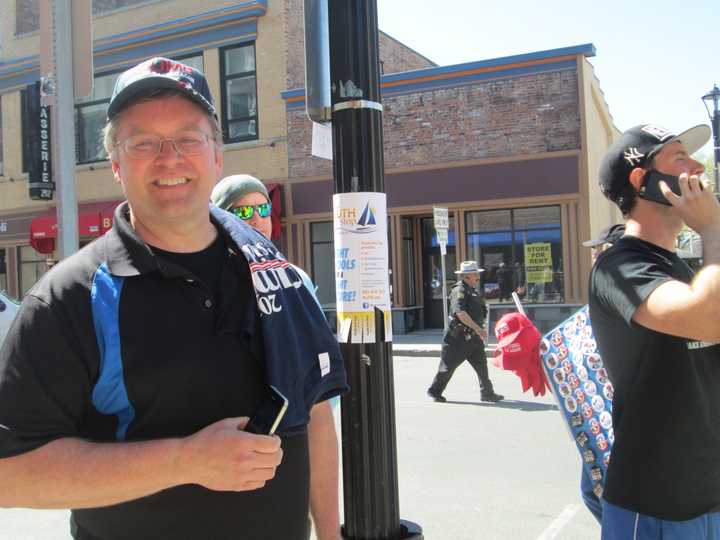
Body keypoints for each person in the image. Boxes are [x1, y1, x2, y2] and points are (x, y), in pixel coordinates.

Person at [0, 57, 347, 540]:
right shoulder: (68, 300)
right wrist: (185, 461)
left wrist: (329, 534)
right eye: (143, 143)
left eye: (189, 139)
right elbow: (9, 474)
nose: (170, 159)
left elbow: (312, 416)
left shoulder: (278, 276)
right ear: (117, 165)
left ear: (217, 156)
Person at [588, 123, 720, 539]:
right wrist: (713, 229)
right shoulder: (619, 267)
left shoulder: (684, 270)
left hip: (708, 496)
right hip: (657, 505)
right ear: (641, 180)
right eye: (679, 157)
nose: (698, 166)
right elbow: (707, 318)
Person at [211, 173, 340, 538]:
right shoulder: (209, 280)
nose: (255, 218)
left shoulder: (294, 278)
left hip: (292, 433)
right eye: (243, 209)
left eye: (262, 208)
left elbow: (318, 398)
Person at [576, 222, 625, 524]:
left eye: (598, 252)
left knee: (597, 492)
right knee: (591, 490)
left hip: (618, 411)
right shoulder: (604, 289)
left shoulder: (624, 290)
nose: (593, 259)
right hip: (600, 410)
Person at [427, 260, 504, 403]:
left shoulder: (472, 290)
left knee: (482, 365)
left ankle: (487, 393)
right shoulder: (459, 290)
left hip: (472, 337)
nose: (478, 277)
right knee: (447, 367)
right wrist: (479, 329)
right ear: (468, 276)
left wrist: (478, 329)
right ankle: (435, 391)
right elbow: (460, 313)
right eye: (476, 275)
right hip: (457, 338)